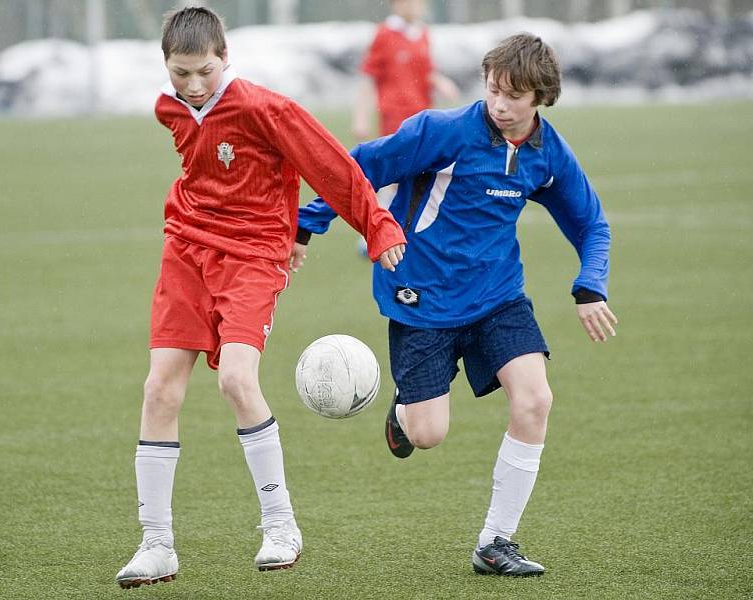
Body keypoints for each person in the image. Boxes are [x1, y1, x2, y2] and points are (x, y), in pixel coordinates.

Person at [294, 33, 618, 577]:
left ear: (541, 97)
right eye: (493, 90)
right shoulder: (441, 131)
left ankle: (496, 542)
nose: (499, 104)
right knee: (428, 434)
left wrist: (591, 284)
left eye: (514, 96)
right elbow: (359, 167)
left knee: (535, 399)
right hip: (421, 296)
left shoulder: (546, 153)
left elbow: (590, 222)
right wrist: (307, 224)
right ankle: (402, 414)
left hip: (498, 297)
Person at [115, 7, 406, 589]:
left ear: (225, 57)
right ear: (165, 68)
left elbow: (325, 163)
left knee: (236, 381)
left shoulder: (261, 107)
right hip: (187, 249)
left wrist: (375, 227)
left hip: (251, 256)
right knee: (159, 388)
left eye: (204, 71)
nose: (193, 85)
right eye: (180, 73)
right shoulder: (167, 109)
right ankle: (156, 544)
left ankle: (280, 525)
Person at [352, 0, 458, 256]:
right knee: (390, 176)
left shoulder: (422, 34)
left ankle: (404, 232)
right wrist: (361, 116)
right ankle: (374, 232)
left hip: (423, 119)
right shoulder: (385, 34)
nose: (416, 6)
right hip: (395, 118)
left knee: (420, 175)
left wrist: (440, 82)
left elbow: (425, 71)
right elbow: (369, 78)